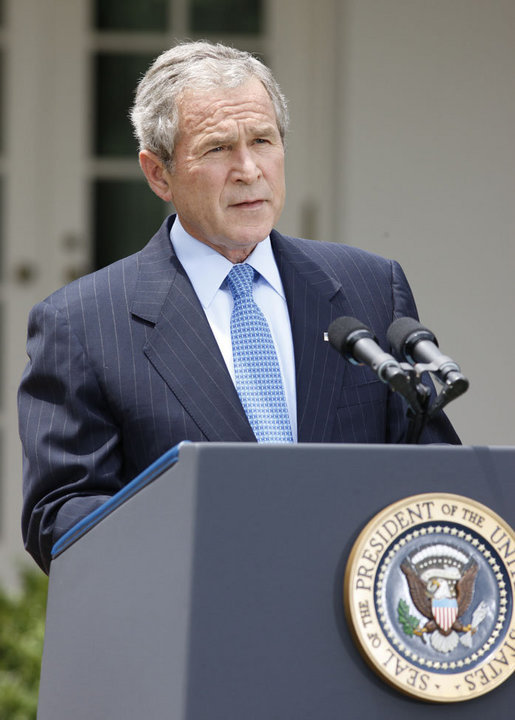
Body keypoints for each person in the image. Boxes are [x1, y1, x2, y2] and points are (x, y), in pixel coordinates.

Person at [18, 41, 459, 573]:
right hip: (198, 629)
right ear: (158, 173)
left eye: (262, 141)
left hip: (356, 628)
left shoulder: (370, 287)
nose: (249, 169)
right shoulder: (82, 325)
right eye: (218, 149)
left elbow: (437, 479)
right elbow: (61, 515)